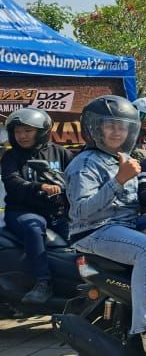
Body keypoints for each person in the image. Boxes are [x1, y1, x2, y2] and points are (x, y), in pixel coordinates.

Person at [65, 96, 146, 352]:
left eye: (122, 127)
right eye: (109, 126)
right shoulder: (86, 162)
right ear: (95, 128)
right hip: (95, 231)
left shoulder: (121, 159)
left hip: (123, 227)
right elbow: (81, 211)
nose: (116, 132)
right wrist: (118, 181)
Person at [2, 108, 73, 304]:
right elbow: (12, 181)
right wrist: (40, 186)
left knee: (79, 236)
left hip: (57, 213)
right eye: (18, 131)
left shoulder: (61, 153)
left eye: (28, 131)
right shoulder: (11, 156)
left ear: (42, 132)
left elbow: (77, 177)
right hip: (23, 212)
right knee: (34, 227)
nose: (22, 136)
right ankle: (43, 283)